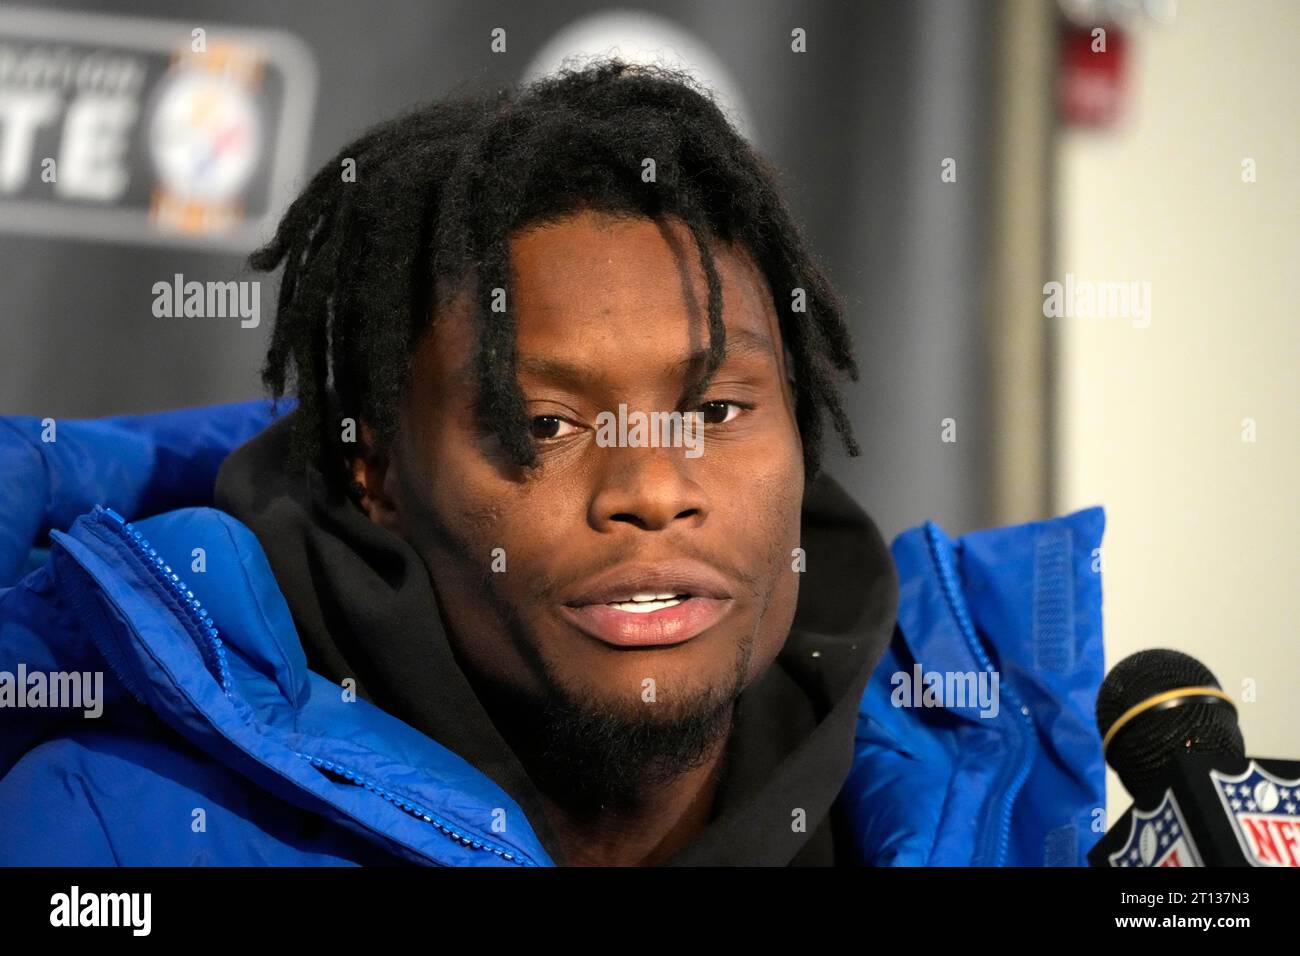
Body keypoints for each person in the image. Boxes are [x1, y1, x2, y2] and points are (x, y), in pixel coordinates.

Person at [0, 61, 1105, 866]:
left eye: (716, 407)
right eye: (543, 425)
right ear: (375, 472)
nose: (651, 489)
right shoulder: (111, 831)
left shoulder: (1044, 803)